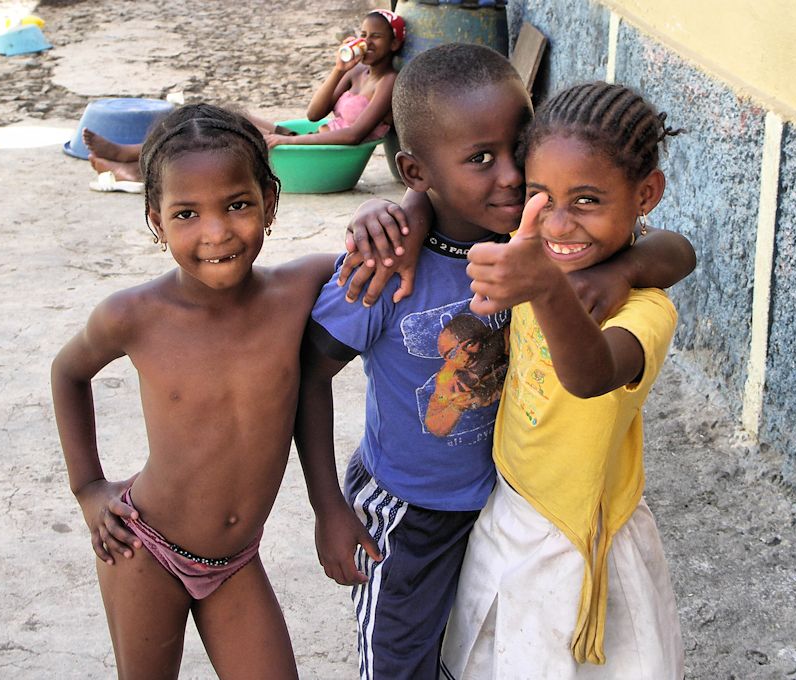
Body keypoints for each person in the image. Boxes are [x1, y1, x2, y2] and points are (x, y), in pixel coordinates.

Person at [292, 44, 695, 680]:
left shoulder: (538, 244)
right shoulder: (391, 267)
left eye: (518, 150)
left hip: (498, 505)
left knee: (478, 652)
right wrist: (328, 509)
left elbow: (676, 249)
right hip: (410, 515)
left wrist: (627, 268)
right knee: (401, 663)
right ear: (416, 172)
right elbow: (308, 373)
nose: (511, 177)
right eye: (482, 159)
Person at [51, 103, 334, 679]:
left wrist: (396, 213)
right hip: (144, 549)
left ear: (270, 203)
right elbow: (68, 373)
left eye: (237, 205)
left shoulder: (301, 289)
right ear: (155, 221)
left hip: (234, 561)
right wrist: (87, 488)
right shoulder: (133, 316)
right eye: (186, 214)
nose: (216, 232)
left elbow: (393, 243)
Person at [438, 82, 686, 679]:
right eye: (539, 195)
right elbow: (445, 194)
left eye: (588, 200)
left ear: (646, 193)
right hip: (511, 508)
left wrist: (550, 288)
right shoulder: (532, 251)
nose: (558, 222)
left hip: (582, 538)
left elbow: (592, 375)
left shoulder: (644, 311)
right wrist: (396, 207)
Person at [83, 9, 404, 182]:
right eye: (363, 35)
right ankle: (138, 157)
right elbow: (313, 115)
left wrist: (285, 141)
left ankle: (135, 163)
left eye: (376, 37)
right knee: (226, 117)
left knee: (227, 139)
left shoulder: (388, 81)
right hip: (311, 138)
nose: (367, 42)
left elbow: (353, 136)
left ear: (393, 44)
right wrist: (338, 69)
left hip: (324, 157)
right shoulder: (354, 72)